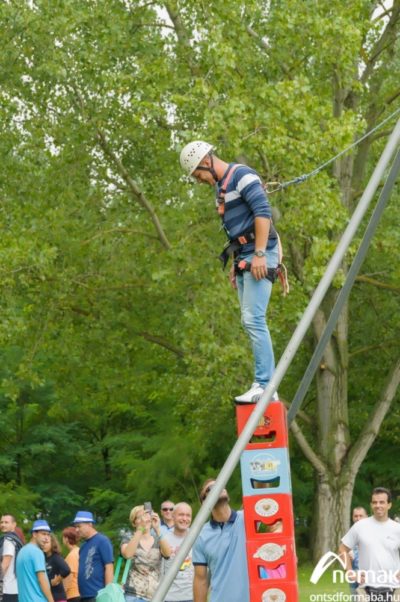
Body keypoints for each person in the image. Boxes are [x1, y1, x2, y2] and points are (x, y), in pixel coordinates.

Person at [180, 141, 281, 403]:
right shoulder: (220, 188)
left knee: (254, 319)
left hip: (260, 253)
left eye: (198, 175)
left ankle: (265, 385)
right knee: (248, 320)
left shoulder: (242, 176)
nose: (200, 180)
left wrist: (259, 254)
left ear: (206, 162)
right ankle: (263, 383)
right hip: (245, 255)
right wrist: (237, 263)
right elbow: (239, 229)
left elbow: (262, 213)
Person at [192, 478, 249, 602]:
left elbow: (261, 493)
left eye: (220, 484)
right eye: (210, 489)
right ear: (204, 502)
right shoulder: (201, 535)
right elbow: (200, 580)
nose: (218, 488)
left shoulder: (246, 518)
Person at [339, 487, 400, 601]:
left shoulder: (397, 528)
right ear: (371, 505)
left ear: (389, 505)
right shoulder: (360, 526)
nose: (378, 505)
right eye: (375, 502)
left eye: (382, 502)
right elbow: (342, 549)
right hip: (366, 590)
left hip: (394, 589)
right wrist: (351, 572)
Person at [120, 504, 171, 602]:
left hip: (156, 596)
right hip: (134, 595)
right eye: (140, 517)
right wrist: (140, 529)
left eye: (147, 515)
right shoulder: (128, 539)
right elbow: (127, 554)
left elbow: (168, 553)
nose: (145, 519)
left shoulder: (158, 539)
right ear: (134, 523)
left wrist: (158, 529)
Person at [73, 511, 113, 602]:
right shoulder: (83, 547)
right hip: (84, 597)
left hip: (98, 595)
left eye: (79, 526)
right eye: (75, 527)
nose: (76, 530)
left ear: (90, 524)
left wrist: (107, 594)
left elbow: (109, 567)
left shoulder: (102, 541)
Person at [16, 519, 54, 602]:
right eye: (43, 534)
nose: (46, 538)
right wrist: (51, 600)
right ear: (34, 534)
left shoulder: (22, 551)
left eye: (48, 535)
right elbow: (41, 580)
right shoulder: (37, 552)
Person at [162, 503, 194, 602]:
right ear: (173, 516)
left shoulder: (197, 536)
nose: (185, 518)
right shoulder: (164, 538)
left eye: (188, 515)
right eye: (181, 515)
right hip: (168, 597)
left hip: (192, 597)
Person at [0, 514, 24, 602]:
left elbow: (5, 564)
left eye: (6, 522)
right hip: (15, 587)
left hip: (7, 588)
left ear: (14, 525)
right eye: (1, 522)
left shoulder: (8, 540)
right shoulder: (16, 540)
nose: (3, 524)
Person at [42, 534, 70, 602]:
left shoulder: (56, 557)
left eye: (47, 543)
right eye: (43, 543)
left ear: (52, 543)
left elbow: (66, 569)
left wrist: (57, 579)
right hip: (47, 596)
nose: (44, 545)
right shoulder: (43, 558)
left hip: (58, 596)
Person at [348, 507, 368, 601]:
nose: (358, 518)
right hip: (354, 577)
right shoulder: (349, 535)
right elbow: (342, 556)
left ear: (366, 517)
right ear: (352, 518)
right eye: (355, 516)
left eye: (361, 516)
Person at [62, 527, 80, 602]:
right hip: (81, 592)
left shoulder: (71, 556)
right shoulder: (80, 551)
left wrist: (63, 594)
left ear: (66, 539)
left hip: (73, 594)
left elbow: (69, 577)